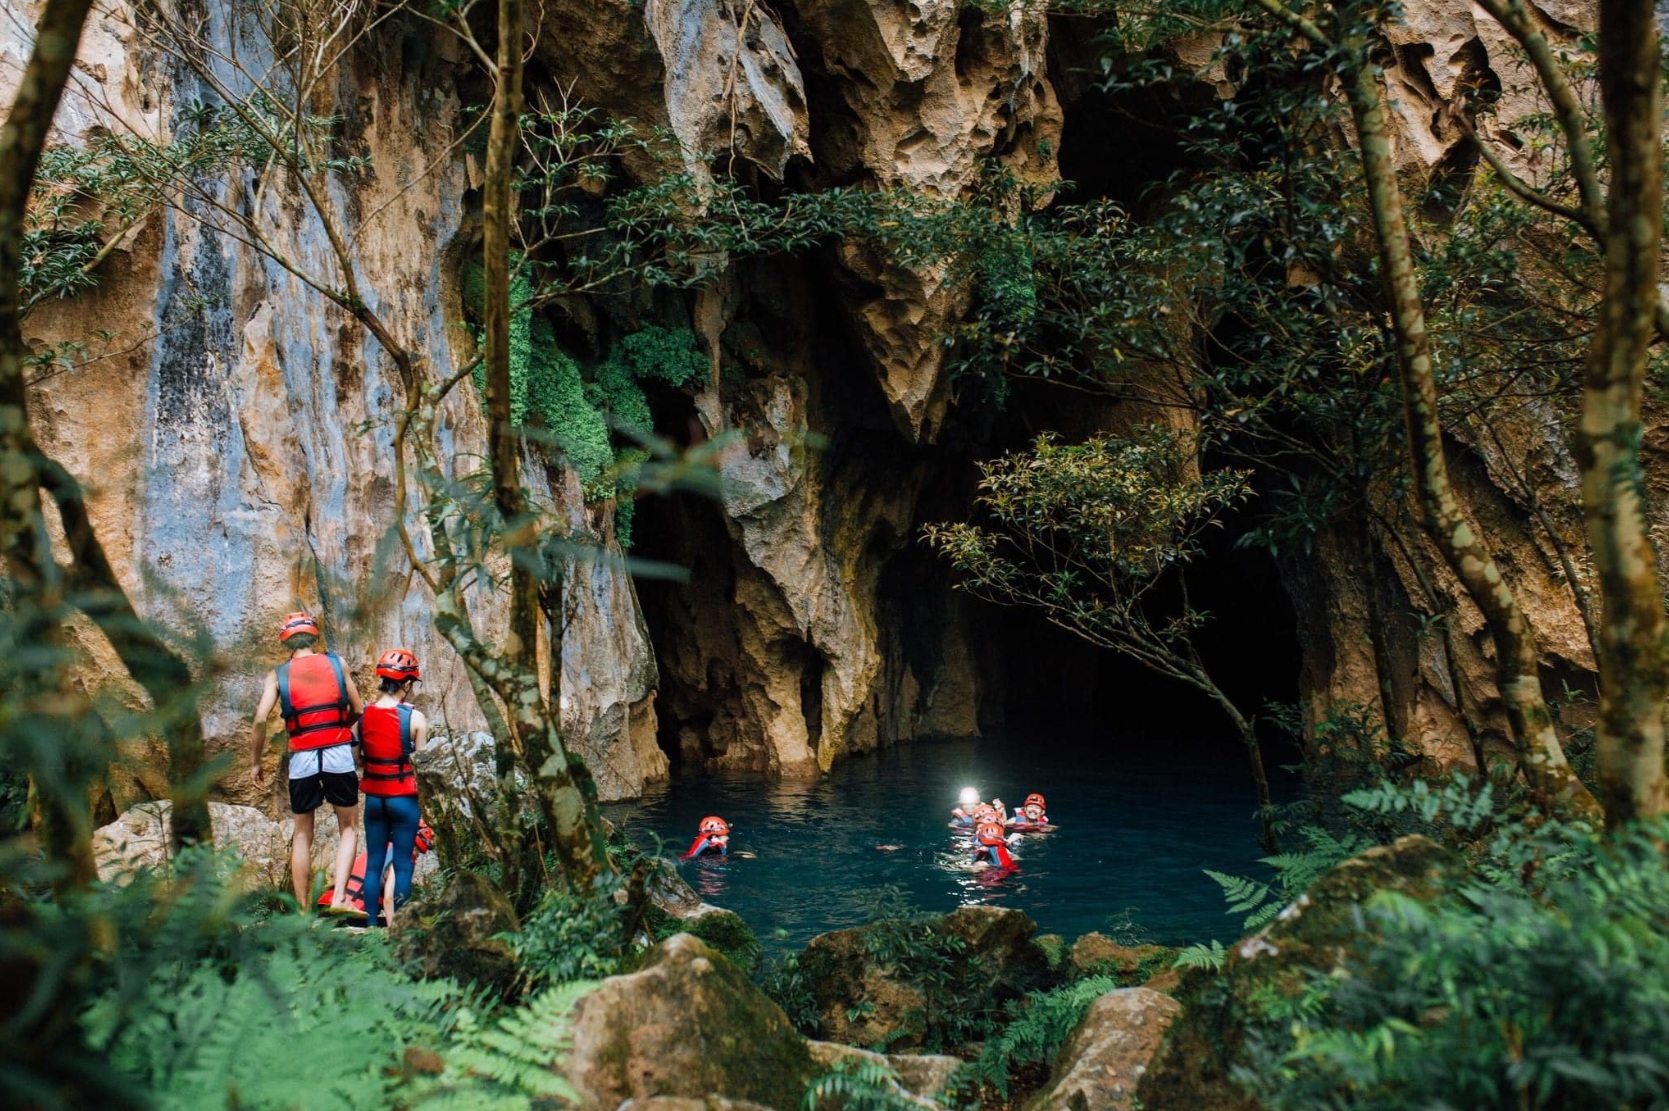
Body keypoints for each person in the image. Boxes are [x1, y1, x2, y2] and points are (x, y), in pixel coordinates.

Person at [251, 612, 364, 910]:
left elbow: (261, 719)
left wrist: (255, 762)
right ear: (315, 637)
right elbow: (358, 707)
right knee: (349, 827)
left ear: (286, 641)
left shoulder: (278, 675)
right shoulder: (337, 664)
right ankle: (339, 898)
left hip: (302, 757)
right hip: (338, 752)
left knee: (302, 832)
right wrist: (341, 726)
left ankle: (302, 911)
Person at [357, 649, 428, 927]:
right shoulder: (416, 719)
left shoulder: (362, 718)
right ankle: (399, 930)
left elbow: (357, 759)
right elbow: (422, 765)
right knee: (401, 864)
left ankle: (373, 927)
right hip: (403, 799)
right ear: (407, 684)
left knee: (374, 863)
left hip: (374, 797)